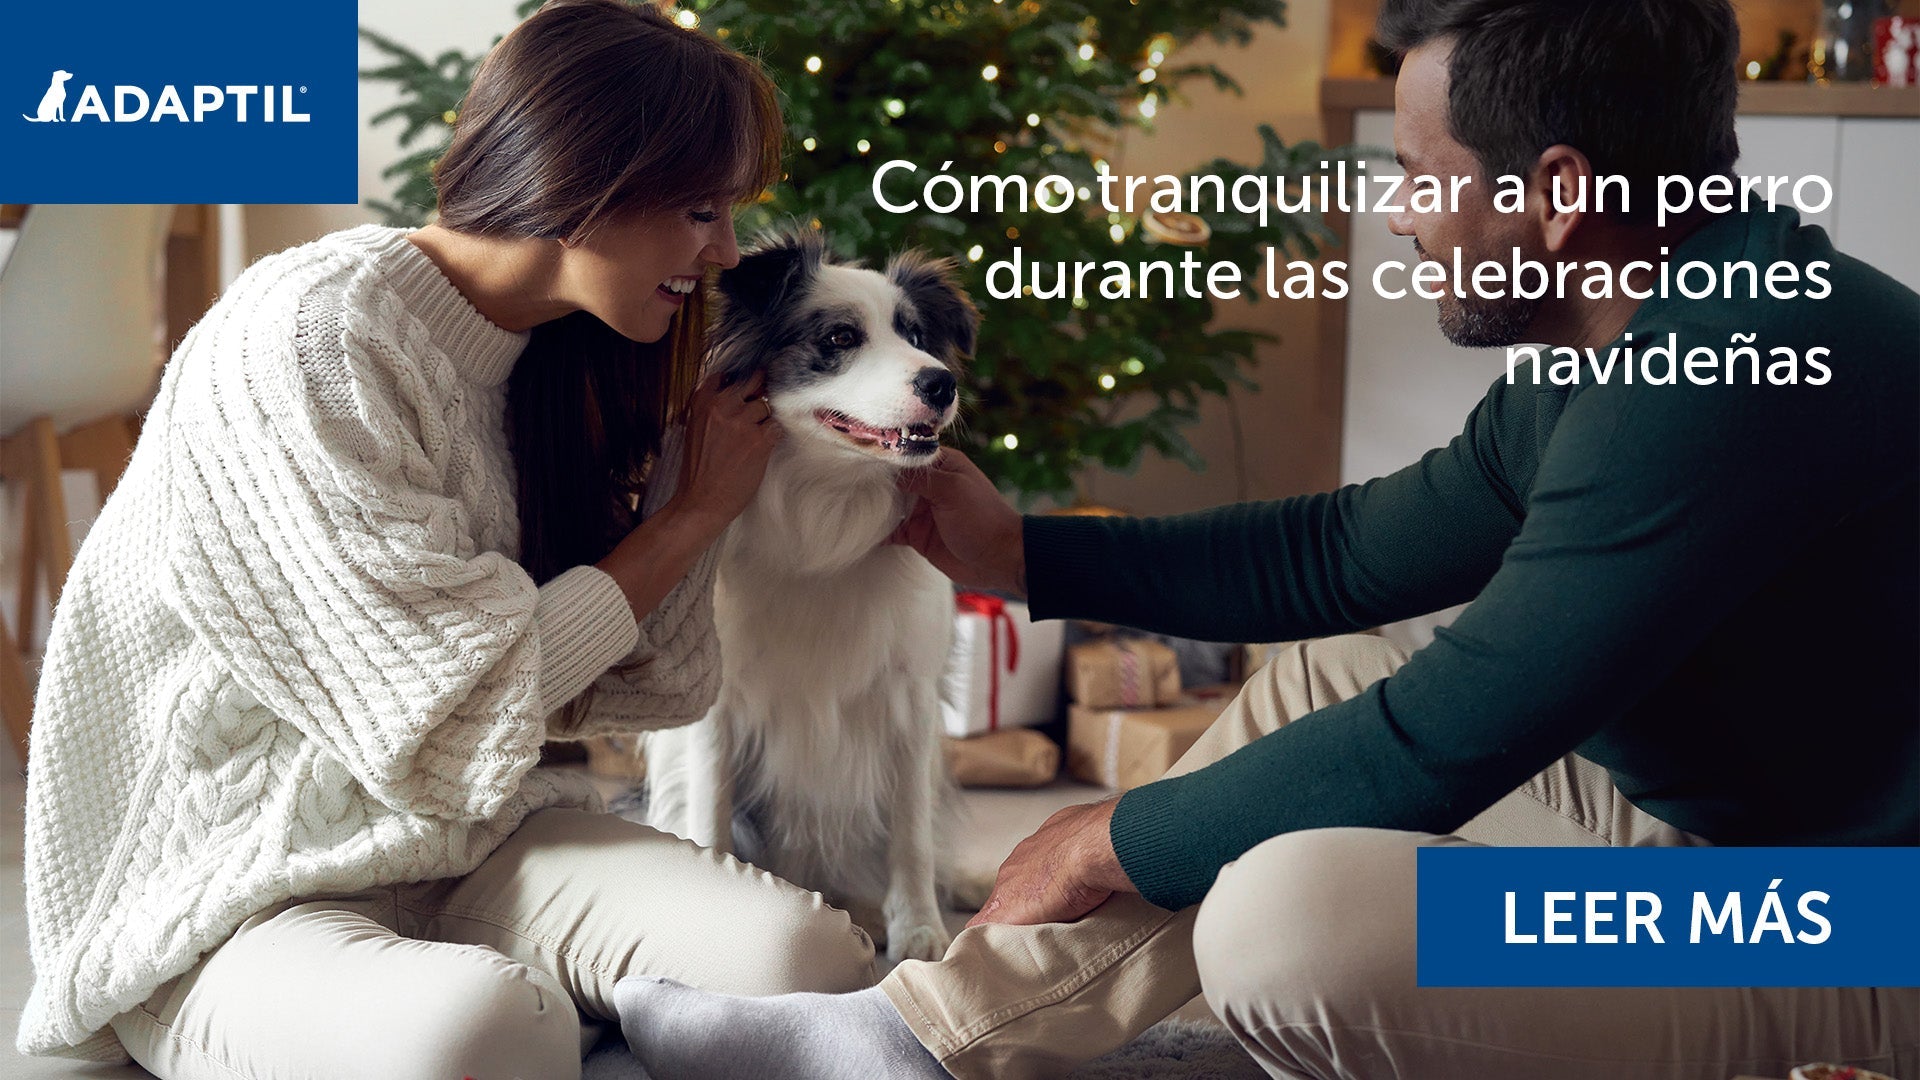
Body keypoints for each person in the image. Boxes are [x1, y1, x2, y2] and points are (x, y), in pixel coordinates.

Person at [613, 0, 1920, 1077]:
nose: (1401, 216)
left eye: (1419, 175)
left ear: (1557, 192)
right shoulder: (1679, 321)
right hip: (1737, 844)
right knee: (1316, 683)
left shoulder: (1725, 379)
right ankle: (916, 1040)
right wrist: (1023, 554)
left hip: (1857, 929)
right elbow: (1346, 555)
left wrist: (1099, 836)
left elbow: (1451, 733)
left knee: (1287, 925)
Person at [14, 3, 879, 1077]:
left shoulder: (570, 355)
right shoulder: (314, 338)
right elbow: (448, 703)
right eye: (700, 211)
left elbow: (648, 684)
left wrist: (686, 492)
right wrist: (690, 517)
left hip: (473, 851)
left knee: (808, 959)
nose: (724, 252)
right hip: (239, 895)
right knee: (492, 1030)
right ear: (581, 173)